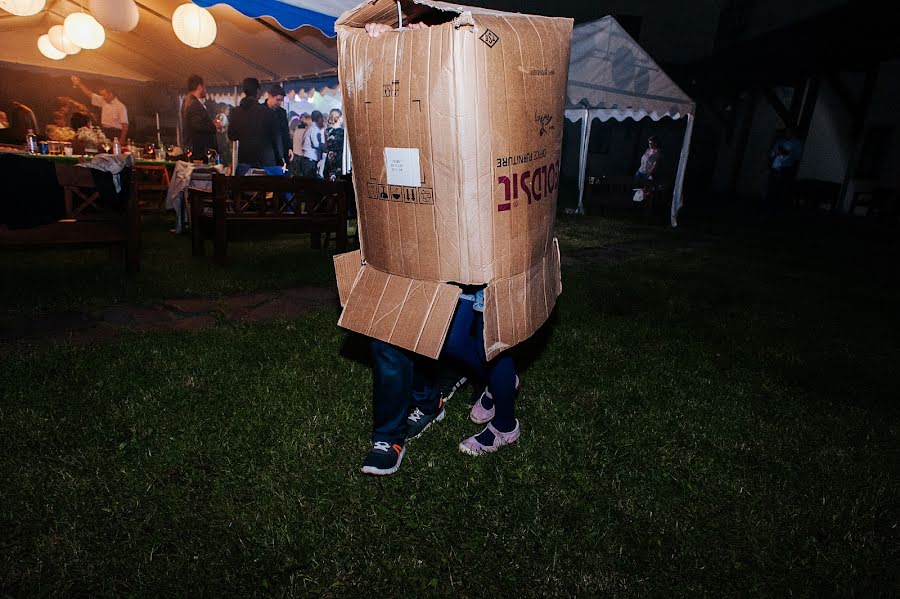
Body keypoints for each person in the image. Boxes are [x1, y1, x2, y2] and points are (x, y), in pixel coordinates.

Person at [359, 21, 521, 476]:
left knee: (482, 339)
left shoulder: (476, 87)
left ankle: (504, 416)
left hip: (477, 241)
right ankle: (489, 387)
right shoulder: (426, 102)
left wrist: (422, 40)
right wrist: (388, 49)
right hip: (431, 238)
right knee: (441, 337)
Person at [228, 77, 282, 176]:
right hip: (266, 164)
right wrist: (280, 160)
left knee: (246, 190)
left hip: (245, 163)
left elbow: (232, 136)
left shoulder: (235, 112)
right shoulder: (268, 113)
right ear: (258, 91)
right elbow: (276, 140)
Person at [70, 76, 128, 145]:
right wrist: (79, 84)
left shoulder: (120, 106)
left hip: (115, 132)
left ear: (110, 94)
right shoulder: (103, 101)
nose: (103, 97)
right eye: (102, 95)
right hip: (105, 131)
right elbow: (90, 94)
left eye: (104, 95)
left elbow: (125, 124)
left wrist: (122, 138)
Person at [765, 127, 804, 216]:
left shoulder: (797, 143)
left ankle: (777, 212)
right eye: (786, 132)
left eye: (789, 132)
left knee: (780, 191)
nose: (787, 134)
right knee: (771, 190)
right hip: (775, 169)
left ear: (793, 133)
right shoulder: (780, 141)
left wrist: (786, 152)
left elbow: (796, 156)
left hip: (785, 170)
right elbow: (772, 153)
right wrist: (775, 153)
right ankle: (767, 211)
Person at [180, 74, 218, 158]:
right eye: (204, 86)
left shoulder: (187, 101)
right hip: (199, 150)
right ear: (200, 87)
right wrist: (213, 125)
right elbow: (197, 125)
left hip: (194, 147)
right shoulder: (194, 104)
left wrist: (210, 122)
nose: (205, 89)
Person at [265, 85, 292, 168]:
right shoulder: (261, 110)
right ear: (270, 96)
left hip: (280, 151)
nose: (280, 103)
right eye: (278, 100)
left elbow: (286, 132)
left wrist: (289, 148)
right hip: (265, 151)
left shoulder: (282, 112)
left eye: (281, 100)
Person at [298, 110, 325, 178]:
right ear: (319, 119)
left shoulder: (309, 128)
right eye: (322, 119)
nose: (323, 121)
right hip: (310, 160)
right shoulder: (315, 129)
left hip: (307, 159)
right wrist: (324, 146)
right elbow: (316, 144)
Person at [323, 108, 344, 181]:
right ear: (340, 117)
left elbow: (325, 146)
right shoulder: (343, 132)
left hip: (329, 156)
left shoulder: (327, 131)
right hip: (339, 157)